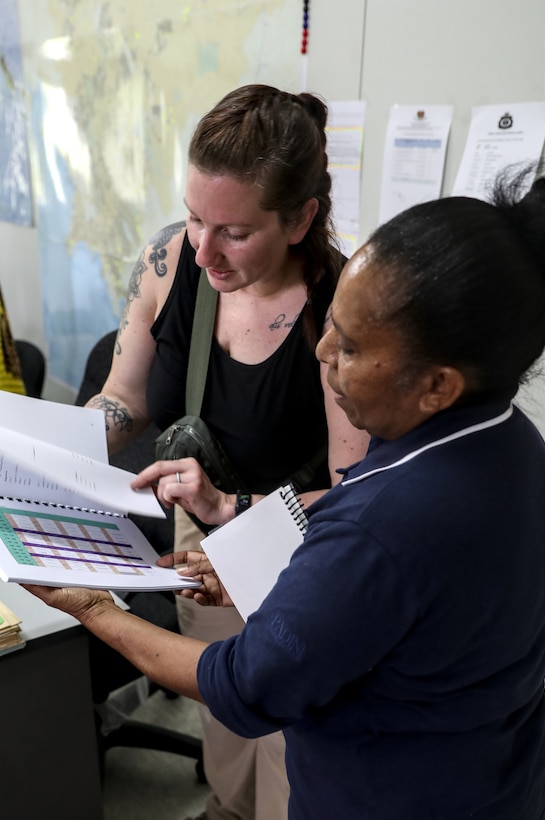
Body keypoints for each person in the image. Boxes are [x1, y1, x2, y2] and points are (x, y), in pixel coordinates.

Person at [25, 167, 545, 818]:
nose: (323, 352)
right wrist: (250, 551)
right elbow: (386, 579)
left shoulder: (380, 529)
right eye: (330, 326)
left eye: (352, 347)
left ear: (436, 385)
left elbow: (247, 686)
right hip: (492, 776)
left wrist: (96, 608)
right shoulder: (510, 442)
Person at [83, 84, 369, 820]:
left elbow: (357, 493)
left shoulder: (341, 313)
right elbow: (126, 399)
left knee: (289, 748)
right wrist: (50, 453)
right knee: (223, 715)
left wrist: (232, 508)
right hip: (198, 544)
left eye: (234, 233)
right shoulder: (169, 259)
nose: (203, 250)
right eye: (193, 217)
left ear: (301, 218)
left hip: (299, 552)